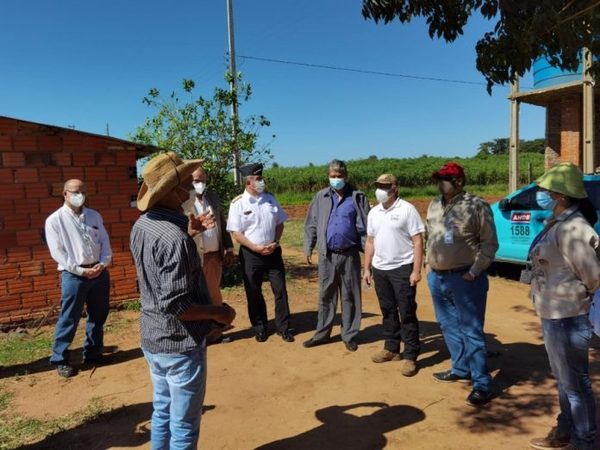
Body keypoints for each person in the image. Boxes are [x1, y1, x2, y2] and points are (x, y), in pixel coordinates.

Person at [130, 152, 236, 450]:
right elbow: (178, 306)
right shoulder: (173, 238)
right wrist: (220, 312)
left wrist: (189, 233)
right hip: (180, 343)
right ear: (172, 192)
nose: (191, 187)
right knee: (184, 425)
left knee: (162, 411)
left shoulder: (142, 226)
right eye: (186, 182)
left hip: (153, 337)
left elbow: (158, 271)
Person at [527, 163, 600, 450]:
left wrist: (581, 301)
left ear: (561, 196)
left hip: (569, 316)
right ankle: (565, 431)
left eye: (545, 190)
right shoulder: (557, 224)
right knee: (564, 380)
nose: (540, 194)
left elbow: (593, 277)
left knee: (575, 384)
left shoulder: (573, 229)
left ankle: (584, 440)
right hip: (554, 314)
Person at [425, 162, 498, 407]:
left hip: (466, 278)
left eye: (444, 179)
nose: (439, 183)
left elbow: (489, 244)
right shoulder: (435, 204)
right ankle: (460, 368)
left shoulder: (476, 206)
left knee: (471, 330)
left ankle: (482, 384)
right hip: (437, 276)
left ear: (458, 181)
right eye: (438, 178)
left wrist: (475, 271)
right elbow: (430, 236)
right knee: (447, 325)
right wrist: (428, 264)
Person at [45, 179, 112, 378]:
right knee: (69, 317)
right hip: (74, 276)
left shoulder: (94, 216)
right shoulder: (54, 220)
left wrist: (103, 263)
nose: (79, 195)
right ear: (65, 194)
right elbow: (58, 253)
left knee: (98, 315)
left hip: (99, 273)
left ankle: (93, 353)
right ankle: (60, 358)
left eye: (83, 191)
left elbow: (105, 241)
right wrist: (81, 271)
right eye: (75, 192)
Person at [303, 159, 370, 352]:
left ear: (346, 176)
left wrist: (369, 259)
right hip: (327, 255)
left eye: (339, 176)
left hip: (349, 255)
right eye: (332, 176)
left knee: (350, 295)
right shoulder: (321, 197)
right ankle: (322, 334)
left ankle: (349, 334)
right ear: (328, 177)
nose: (336, 179)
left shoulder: (357, 198)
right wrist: (308, 247)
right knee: (326, 295)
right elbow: (311, 224)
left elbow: (366, 230)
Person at [363, 174, 425, 377]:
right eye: (378, 185)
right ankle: (391, 348)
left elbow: (417, 241)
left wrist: (416, 270)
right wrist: (366, 268)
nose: (380, 189)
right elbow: (370, 241)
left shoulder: (407, 209)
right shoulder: (374, 212)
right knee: (387, 310)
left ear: (394, 188)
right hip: (381, 269)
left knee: (406, 311)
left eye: (384, 186)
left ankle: (410, 355)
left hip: (402, 268)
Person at [226, 163, 294, 343]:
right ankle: (260, 327)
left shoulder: (270, 199)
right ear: (248, 182)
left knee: (280, 290)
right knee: (254, 291)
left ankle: (284, 327)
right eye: (258, 179)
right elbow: (236, 233)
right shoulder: (238, 203)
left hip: (272, 251)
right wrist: (254, 247)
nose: (261, 182)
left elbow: (280, 223)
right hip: (251, 254)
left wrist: (275, 242)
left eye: (261, 178)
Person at [182, 166, 235, 343]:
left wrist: (229, 248)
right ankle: (201, 333)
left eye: (203, 180)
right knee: (198, 296)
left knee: (213, 294)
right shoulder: (184, 201)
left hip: (214, 256)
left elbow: (222, 222)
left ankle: (216, 332)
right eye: (197, 180)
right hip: (196, 257)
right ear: (189, 182)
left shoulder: (213, 197)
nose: (200, 183)